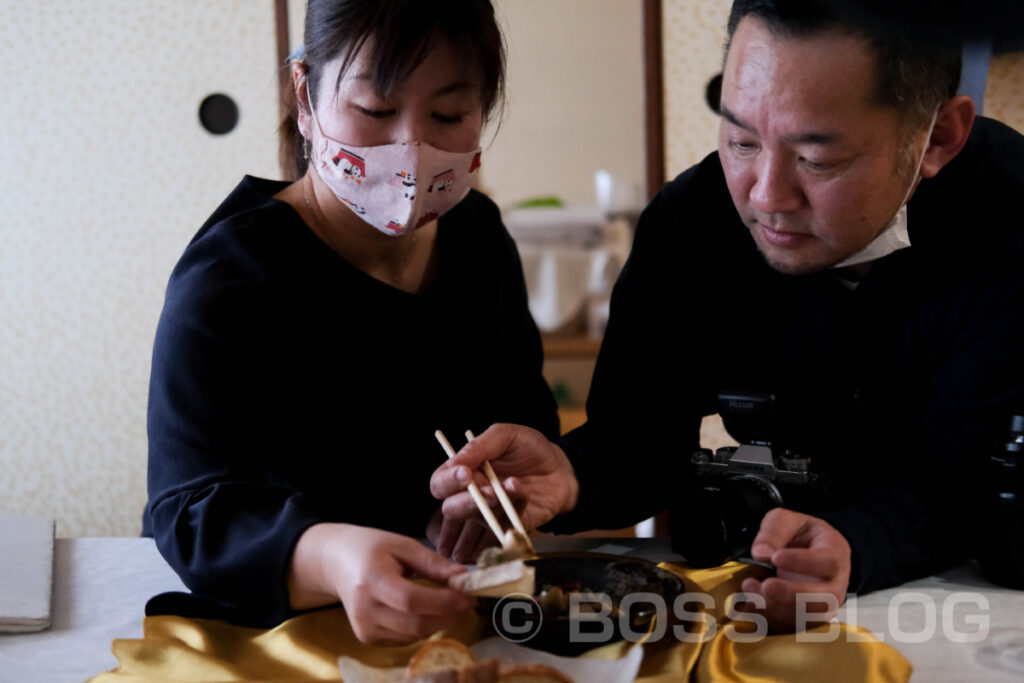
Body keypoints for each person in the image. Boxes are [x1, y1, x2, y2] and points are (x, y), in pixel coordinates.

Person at [431, 0, 1024, 631]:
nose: (765, 196)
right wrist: (572, 472)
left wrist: (858, 541)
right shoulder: (692, 224)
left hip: (971, 598)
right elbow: (641, 439)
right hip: (769, 590)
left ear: (938, 137)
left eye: (817, 160)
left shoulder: (1008, 219)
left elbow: (963, 479)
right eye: (741, 140)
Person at [143, 0, 558, 645]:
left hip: (460, 624)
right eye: (376, 111)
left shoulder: (480, 239)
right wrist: (330, 558)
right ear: (305, 98)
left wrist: (503, 491)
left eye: (448, 115)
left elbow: (525, 419)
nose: (410, 150)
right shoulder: (231, 276)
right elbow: (189, 512)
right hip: (286, 637)